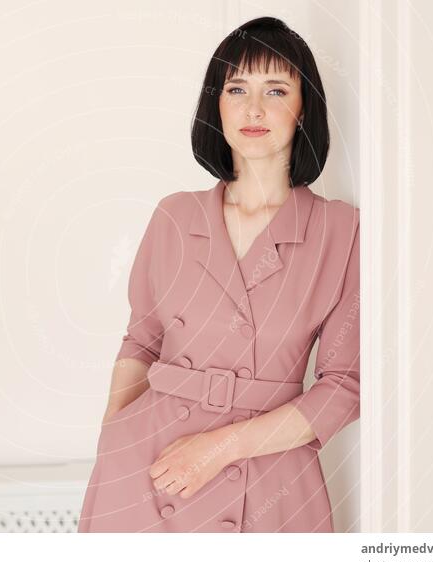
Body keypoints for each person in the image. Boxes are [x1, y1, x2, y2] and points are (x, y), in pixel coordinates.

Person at [77, 16, 360, 533]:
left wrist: (222, 447)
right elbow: (141, 341)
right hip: (145, 467)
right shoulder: (175, 216)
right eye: (236, 88)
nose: (254, 108)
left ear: (304, 109)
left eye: (276, 89)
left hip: (270, 476)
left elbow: (345, 387)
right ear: (218, 105)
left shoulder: (340, 230)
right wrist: (110, 447)